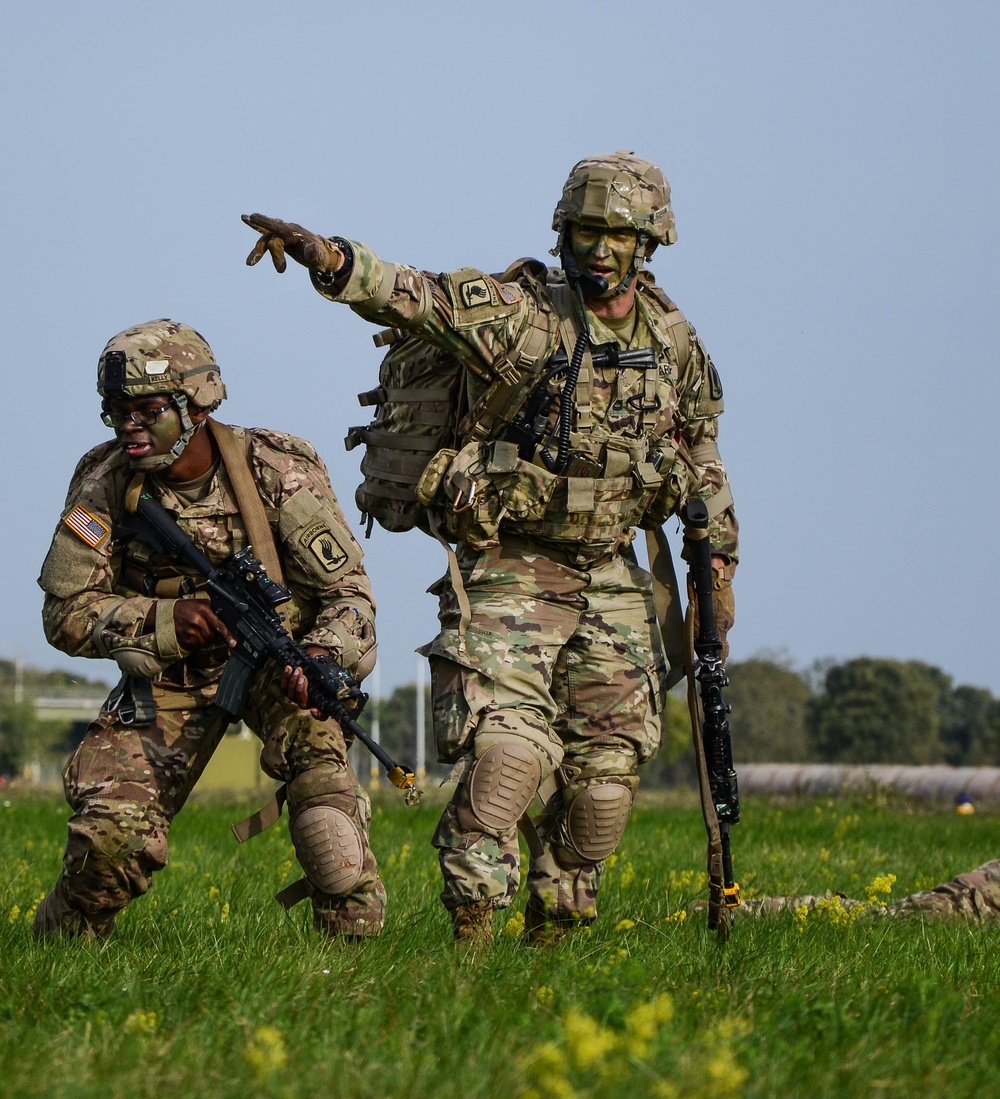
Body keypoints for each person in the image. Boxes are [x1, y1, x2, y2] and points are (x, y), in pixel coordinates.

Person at [242, 150, 739, 945]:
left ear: (651, 240)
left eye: (618, 234)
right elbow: (416, 297)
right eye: (585, 230)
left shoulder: (675, 341)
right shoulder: (522, 316)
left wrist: (716, 566)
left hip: (612, 574)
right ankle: (469, 950)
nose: (600, 249)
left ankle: (554, 937)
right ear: (563, 230)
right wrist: (330, 257)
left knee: (606, 785)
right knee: (508, 760)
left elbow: (702, 452)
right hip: (509, 566)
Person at [35, 319, 384, 940]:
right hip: (169, 672)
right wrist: (166, 622)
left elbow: (348, 595)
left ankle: (354, 965)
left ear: (195, 407)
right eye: (117, 412)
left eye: (147, 411)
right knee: (111, 837)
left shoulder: (275, 468)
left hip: (280, 663)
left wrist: (323, 659)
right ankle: (58, 952)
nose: (128, 428)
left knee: (326, 806)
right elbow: (64, 614)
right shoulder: (106, 481)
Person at [741, 859, 1000, 921]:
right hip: (971, 900)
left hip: (980, 890)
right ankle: (740, 909)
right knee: (872, 919)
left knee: (872, 917)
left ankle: (740, 909)